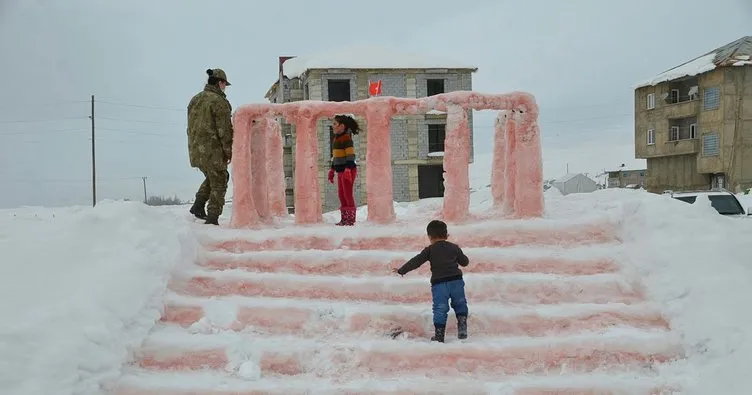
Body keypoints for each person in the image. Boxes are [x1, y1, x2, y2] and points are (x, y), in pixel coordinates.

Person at [393, 220, 470, 342]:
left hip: (439, 284)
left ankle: (439, 335)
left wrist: (402, 270)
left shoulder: (429, 250)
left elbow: (416, 261)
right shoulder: (454, 247)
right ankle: (462, 328)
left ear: (429, 236)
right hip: (456, 281)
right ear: (446, 235)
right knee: (460, 302)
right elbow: (465, 262)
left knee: (440, 307)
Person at [187, 68, 234, 225]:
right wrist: (229, 152)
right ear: (220, 83)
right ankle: (212, 218)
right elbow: (224, 131)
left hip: (195, 149)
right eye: (224, 84)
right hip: (212, 149)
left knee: (213, 176)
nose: (225, 87)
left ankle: (198, 205)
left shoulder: (195, 99)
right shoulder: (219, 102)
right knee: (220, 179)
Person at [327, 114, 360, 226]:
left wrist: (347, 169)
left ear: (342, 126)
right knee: (341, 195)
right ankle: (344, 219)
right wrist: (332, 169)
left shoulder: (346, 138)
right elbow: (336, 156)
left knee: (347, 194)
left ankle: (350, 220)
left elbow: (350, 155)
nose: (333, 126)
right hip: (340, 171)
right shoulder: (337, 138)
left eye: (335, 124)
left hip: (348, 170)